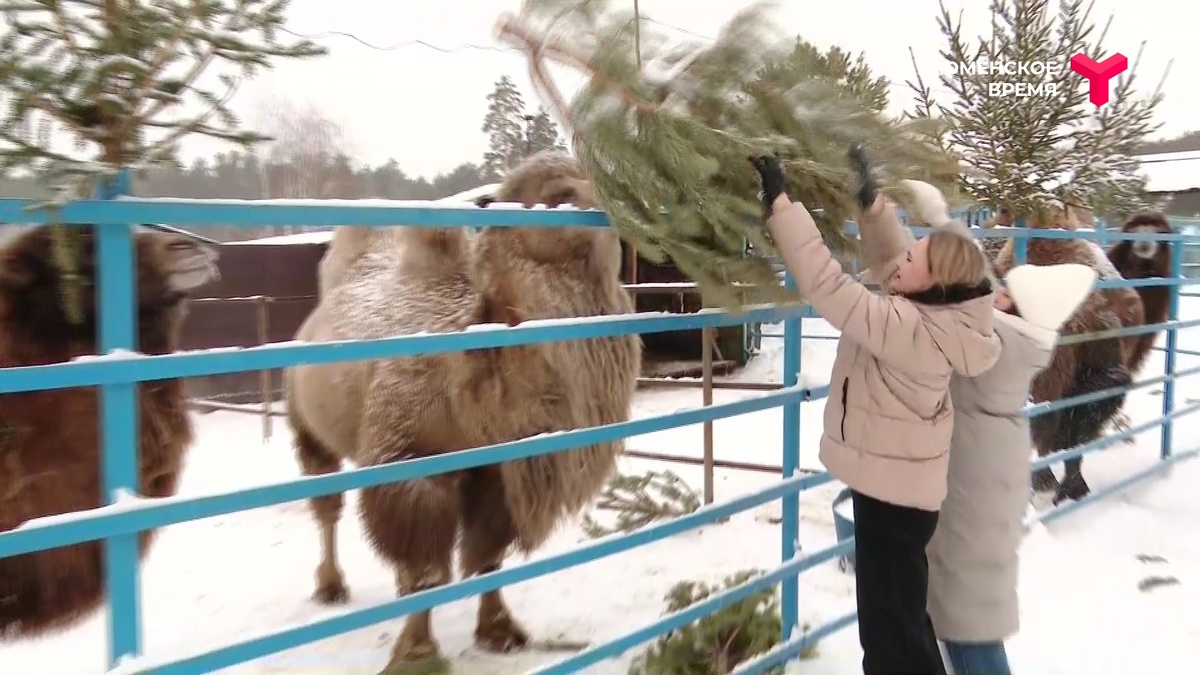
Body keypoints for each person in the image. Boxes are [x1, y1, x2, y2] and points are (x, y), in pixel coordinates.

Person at [751, 151, 1001, 675]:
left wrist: (781, 205)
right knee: (902, 621)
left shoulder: (908, 328)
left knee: (890, 637)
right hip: (903, 494)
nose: (903, 259)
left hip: (892, 499)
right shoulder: (943, 314)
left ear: (934, 287)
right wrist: (873, 207)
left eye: (916, 260)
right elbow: (896, 261)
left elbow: (829, 286)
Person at [851, 163, 1099, 675]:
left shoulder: (983, 351)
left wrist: (917, 223)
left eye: (1005, 293)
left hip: (961, 559)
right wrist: (934, 218)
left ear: (1010, 311)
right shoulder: (1012, 343)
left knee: (972, 649)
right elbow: (973, 281)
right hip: (972, 552)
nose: (995, 291)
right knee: (967, 644)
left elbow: (957, 285)